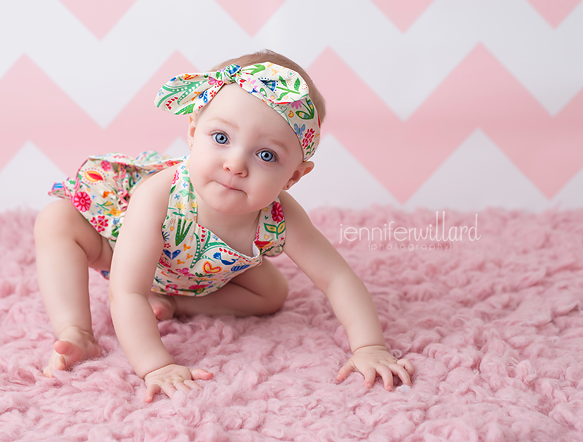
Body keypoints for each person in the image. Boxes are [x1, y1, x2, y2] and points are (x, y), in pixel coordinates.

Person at [34, 49, 414, 401]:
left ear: (293, 177)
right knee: (56, 219)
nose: (235, 164)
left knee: (272, 294)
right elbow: (127, 291)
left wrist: (369, 347)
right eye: (221, 138)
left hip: (200, 276)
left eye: (266, 155)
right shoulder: (160, 195)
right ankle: (77, 332)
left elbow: (337, 279)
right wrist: (157, 365)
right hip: (116, 252)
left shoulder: (280, 217)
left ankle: (175, 302)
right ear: (192, 132)